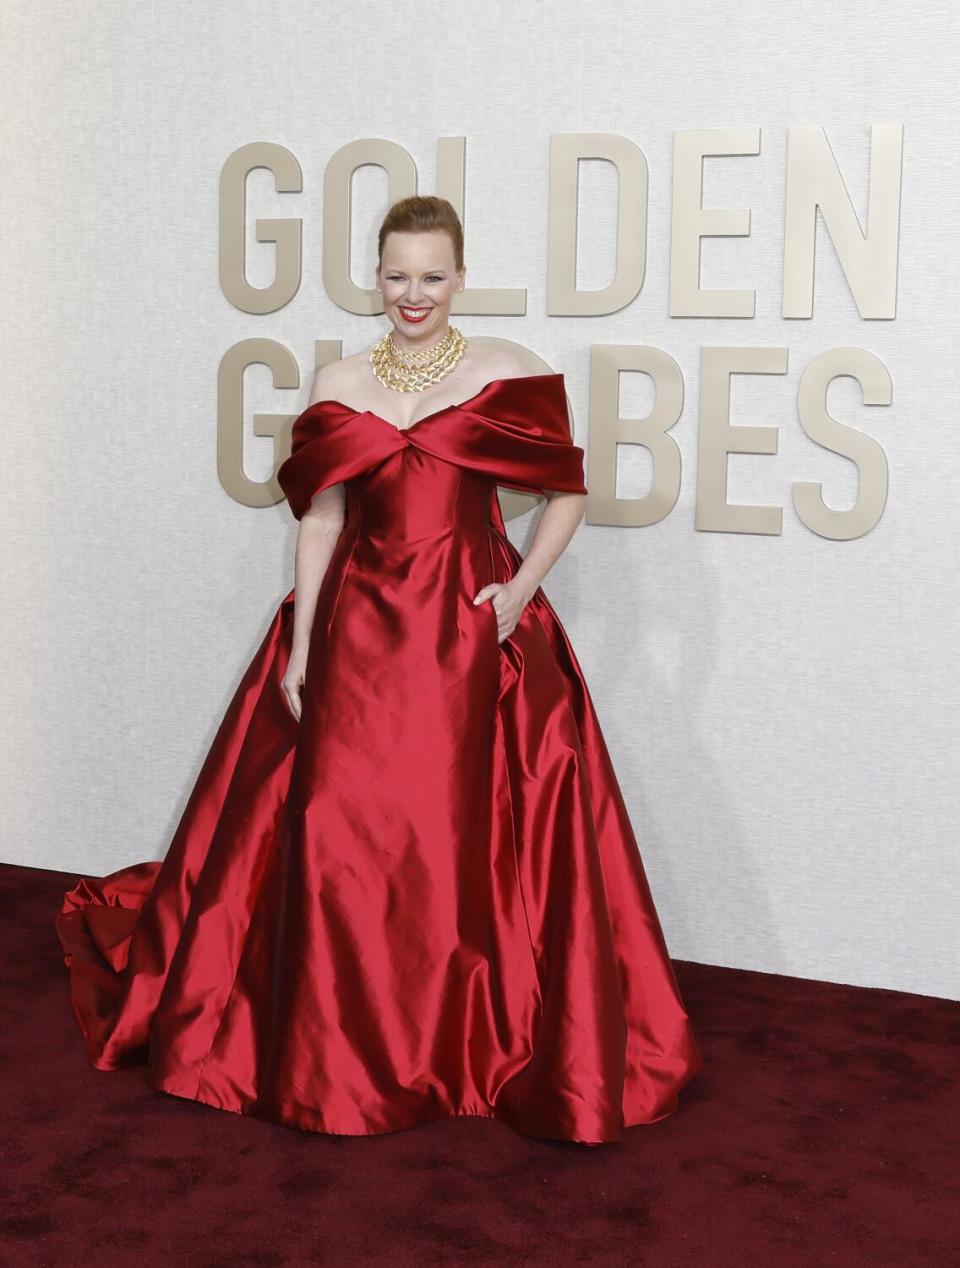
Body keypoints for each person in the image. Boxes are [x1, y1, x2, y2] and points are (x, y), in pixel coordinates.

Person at [56, 195, 703, 1146]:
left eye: (432, 276)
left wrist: (522, 587)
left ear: (461, 277)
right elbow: (320, 517)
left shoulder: (510, 370)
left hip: (467, 637)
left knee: (450, 843)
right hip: (356, 634)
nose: (414, 294)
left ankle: (459, 1048)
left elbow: (568, 491)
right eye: (397, 275)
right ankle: (334, 1052)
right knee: (335, 837)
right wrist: (306, 642)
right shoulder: (342, 375)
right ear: (376, 277)